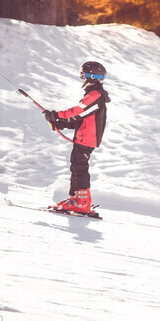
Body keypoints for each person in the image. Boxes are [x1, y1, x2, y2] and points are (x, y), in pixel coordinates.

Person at [43, 61, 110, 213]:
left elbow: (78, 112)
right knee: (76, 166)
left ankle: (82, 202)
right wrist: (61, 124)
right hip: (83, 137)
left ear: (92, 76)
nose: (81, 77)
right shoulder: (92, 95)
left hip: (87, 139)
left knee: (80, 168)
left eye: (83, 74)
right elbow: (81, 120)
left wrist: (57, 115)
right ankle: (76, 199)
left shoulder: (95, 96)